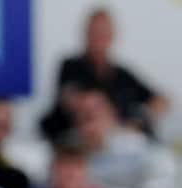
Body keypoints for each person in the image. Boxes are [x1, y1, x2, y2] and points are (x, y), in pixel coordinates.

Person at [39, 8, 168, 143]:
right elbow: (72, 97)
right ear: (86, 34)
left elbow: (161, 100)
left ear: (112, 36)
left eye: (103, 34)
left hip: (120, 145)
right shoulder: (70, 66)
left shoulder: (123, 75)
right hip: (79, 148)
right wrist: (95, 110)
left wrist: (140, 118)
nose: (99, 39)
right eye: (95, 33)